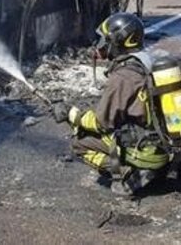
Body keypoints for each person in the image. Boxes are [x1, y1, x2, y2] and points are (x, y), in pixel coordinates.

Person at [53, 12, 171, 195]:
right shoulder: (147, 63)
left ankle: (130, 173)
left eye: (104, 40)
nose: (101, 45)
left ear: (117, 42)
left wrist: (71, 114)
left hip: (145, 151)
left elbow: (102, 123)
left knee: (79, 143)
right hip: (163, 145)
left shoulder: (124, 76)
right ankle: (153, 167)